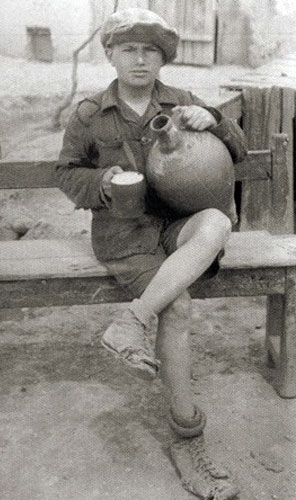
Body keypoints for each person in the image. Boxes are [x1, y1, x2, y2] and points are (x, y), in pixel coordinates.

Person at [56, 8, 247, 500]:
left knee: (219, 221)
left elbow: (240, 150)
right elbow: (66, 172)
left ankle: (131, 320)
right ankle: (189, 437)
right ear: (111, 55)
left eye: (150, 51)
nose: (139, 59)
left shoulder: (182, 102)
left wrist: (218, 121)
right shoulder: (90, 114)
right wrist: (103, 182)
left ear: (163, 57)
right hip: (126, 235)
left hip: (177, 227)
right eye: (128, 50)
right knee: (177, 305)